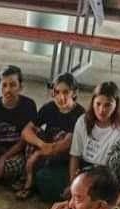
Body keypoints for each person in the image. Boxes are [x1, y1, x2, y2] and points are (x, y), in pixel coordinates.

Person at [17, 72, 85, 201]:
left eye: (66, 92)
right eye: (57, 92)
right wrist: (41, 145)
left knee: (61, 136)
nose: (61, 97)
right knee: (34, 133)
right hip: (47, 150)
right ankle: (30, 179)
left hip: (65, 156)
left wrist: (37, 154)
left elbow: (67, 143)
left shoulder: (79, 114)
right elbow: (26, 131)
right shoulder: (49, 107)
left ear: (74, 93)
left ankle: (30, 179)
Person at [68, 81, 120, 186]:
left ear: (116, 105)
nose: (102, 110)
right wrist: (73, 183)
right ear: (92, 102)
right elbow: (75, 155)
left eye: (108, 105)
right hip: (83, 169)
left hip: (105, 174)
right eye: (98, 104)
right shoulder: (83, 121)